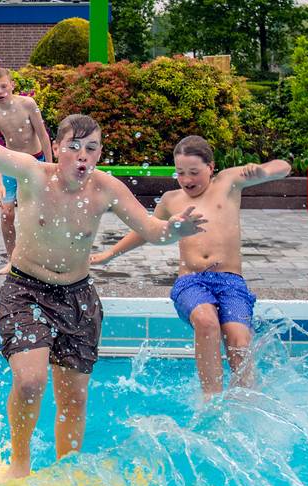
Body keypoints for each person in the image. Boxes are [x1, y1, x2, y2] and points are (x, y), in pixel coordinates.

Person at [0, 85, 206, 478]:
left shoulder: (106, 188)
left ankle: (66, 469)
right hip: (26, 289)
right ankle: (20, 461)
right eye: (75, 146)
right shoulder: (32, 174)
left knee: (73, 398)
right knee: (29, 382)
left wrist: (176, 230)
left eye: (92, 148)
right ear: (57, 148)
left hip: (78, 298)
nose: (83, 155)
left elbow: (152, 229)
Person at [90, 136, 290, 397]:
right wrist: (110, 254)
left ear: (211, 167)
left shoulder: (228, 182)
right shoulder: (172, 199)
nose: (186, 179)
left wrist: (263, 171)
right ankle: (211, 400)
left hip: (231, 282)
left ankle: (247, 402)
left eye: (194, 172)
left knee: (239, 341)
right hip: (191, 281)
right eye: (180, 172)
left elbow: (283, 166)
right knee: (207, 322)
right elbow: (147, 231)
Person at [0, 68, 54, 275]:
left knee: (38, 213)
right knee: (6, 213)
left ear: (12, 85)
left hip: (35, 161)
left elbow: (44, 136)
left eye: (4, 86)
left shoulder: (28, 104)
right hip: (10, 164)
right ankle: (13, 260)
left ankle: (41, 258)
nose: (0, 91)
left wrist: (50, 169)